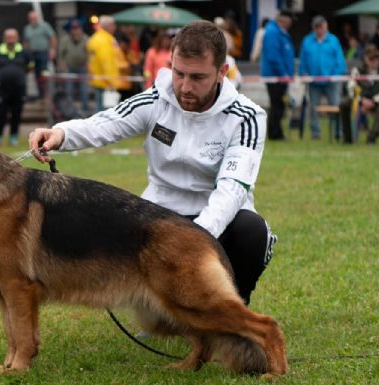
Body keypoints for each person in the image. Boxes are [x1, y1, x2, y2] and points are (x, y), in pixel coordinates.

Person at [29, 20, 276, 305]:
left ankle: (234, 310)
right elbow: (108, 123)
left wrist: (192, 240)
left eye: (197, 77)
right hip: (162, 211)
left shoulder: (247, 116)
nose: (184, 86)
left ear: (222, 72)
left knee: (252, 232)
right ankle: (161, 313)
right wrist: (62, 134)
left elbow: (232, 190)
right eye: (178, 73)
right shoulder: (157, 98)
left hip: (217, 218)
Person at [298, 15, 347, 140]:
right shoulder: (307, 41)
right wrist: (303, 73)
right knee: (313, 108)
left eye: (322, 26)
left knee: (336, 106)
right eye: (317, 27)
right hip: (314, 82)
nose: (320, 29)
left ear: (326, 26)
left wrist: (335, 75)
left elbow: (340, 61)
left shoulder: (333, 40)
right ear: (313, 28)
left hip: (332, 81)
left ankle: (338, 132)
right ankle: (315, 133)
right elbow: (303, 60)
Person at [339, 45, 379, 144]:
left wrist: (373, 101)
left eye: (376, 58)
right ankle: (347, 139)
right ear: (366, 59)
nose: (375, 61)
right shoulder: (358, 70)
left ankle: (371, 137)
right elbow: (350, 88)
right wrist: (361, 100)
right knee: (344, 104)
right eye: (371, 59)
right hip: (360, 99)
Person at [0, 28, 33, 147]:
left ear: (17, 38)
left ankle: (13, 136)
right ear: (4, 39)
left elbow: (30, 68)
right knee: (1, 114)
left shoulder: (25, 52)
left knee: (17, 113)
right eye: (8, 37)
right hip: (3, 90)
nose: (10, 40)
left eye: (12, 37)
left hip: (19, 89)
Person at [261, 11, 295, 140]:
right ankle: (275, 134)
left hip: (281, 77)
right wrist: (283, 74)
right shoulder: (272, 32)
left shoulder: (280, 32)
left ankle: (277, 132)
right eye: (290, 19)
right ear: (284, 20)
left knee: (279, 105)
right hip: (275, 77)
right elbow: (273, 57)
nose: (292, 22)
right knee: (277, 105)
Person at [87, 15, 129, 113]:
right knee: (106, 112)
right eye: (113, 25)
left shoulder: (95, 38)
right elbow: (107, 62)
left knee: (99, 109)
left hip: (98, 79)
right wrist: (112, 81)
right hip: (106, 82)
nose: (115, 27)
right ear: (108, 26)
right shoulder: (105, 40)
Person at [23, 10, 57, 100]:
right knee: (36, 74)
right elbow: (26, 42)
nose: (33, 20)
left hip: (43, 53)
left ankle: (46, 93)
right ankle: (40, 94)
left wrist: (53, 50)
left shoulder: (45, 26)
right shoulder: (27, 28)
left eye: (34, 18)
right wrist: (25, 53)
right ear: (29, 19)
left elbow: (52, 38)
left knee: (44, 73)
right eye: (31, 18)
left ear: (37, 18)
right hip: (32, 54)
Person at [58, 19, 90, 114]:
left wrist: (89, 67)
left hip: (82, 67)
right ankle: (69, 109)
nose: (76, 30)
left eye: (77, 28)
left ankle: (85, 109)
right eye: (74, 28)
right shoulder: (65, 39)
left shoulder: (86, 39)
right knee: (69, 89)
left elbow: (90, 55)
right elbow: (61, 55)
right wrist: (63, 67)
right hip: (70, 67)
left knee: (84, 89)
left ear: (81, 29)